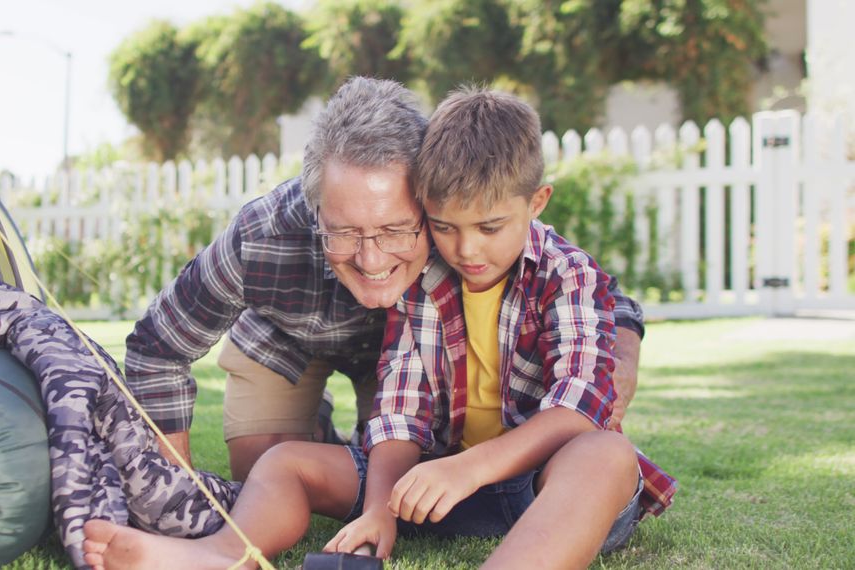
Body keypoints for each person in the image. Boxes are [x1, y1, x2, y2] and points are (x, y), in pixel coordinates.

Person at [82, 87, 675, 569]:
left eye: (398, 230)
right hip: (409, 451)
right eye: (445, 227)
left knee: (604, 453)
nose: (467, 247)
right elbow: (401, 408)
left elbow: (580, 397)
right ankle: (216, 556)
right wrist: (379, 506)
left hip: (528, 481)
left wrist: (466, 467)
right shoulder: (420, 275)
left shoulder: (537, 260)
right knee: (284, 461)